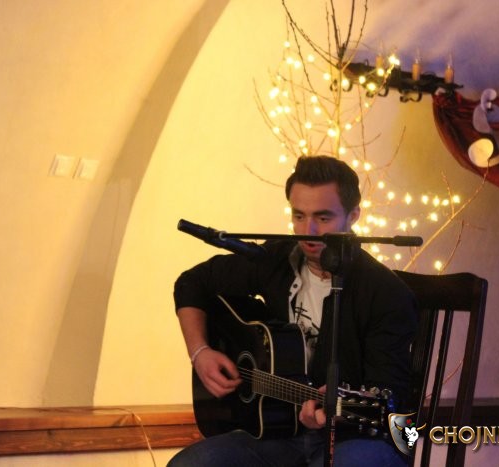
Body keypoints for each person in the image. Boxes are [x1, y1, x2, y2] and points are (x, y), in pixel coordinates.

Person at [169, 155, 417, 467]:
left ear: (353, 215)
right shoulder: (276, 259)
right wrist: (200, 352)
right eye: (298, 216)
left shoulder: (385, 293)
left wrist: (336, 413)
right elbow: (192, 283)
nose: (307, 230)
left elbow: (390, 397)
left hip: (354, 437)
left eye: (323, 218)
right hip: (276, 431)